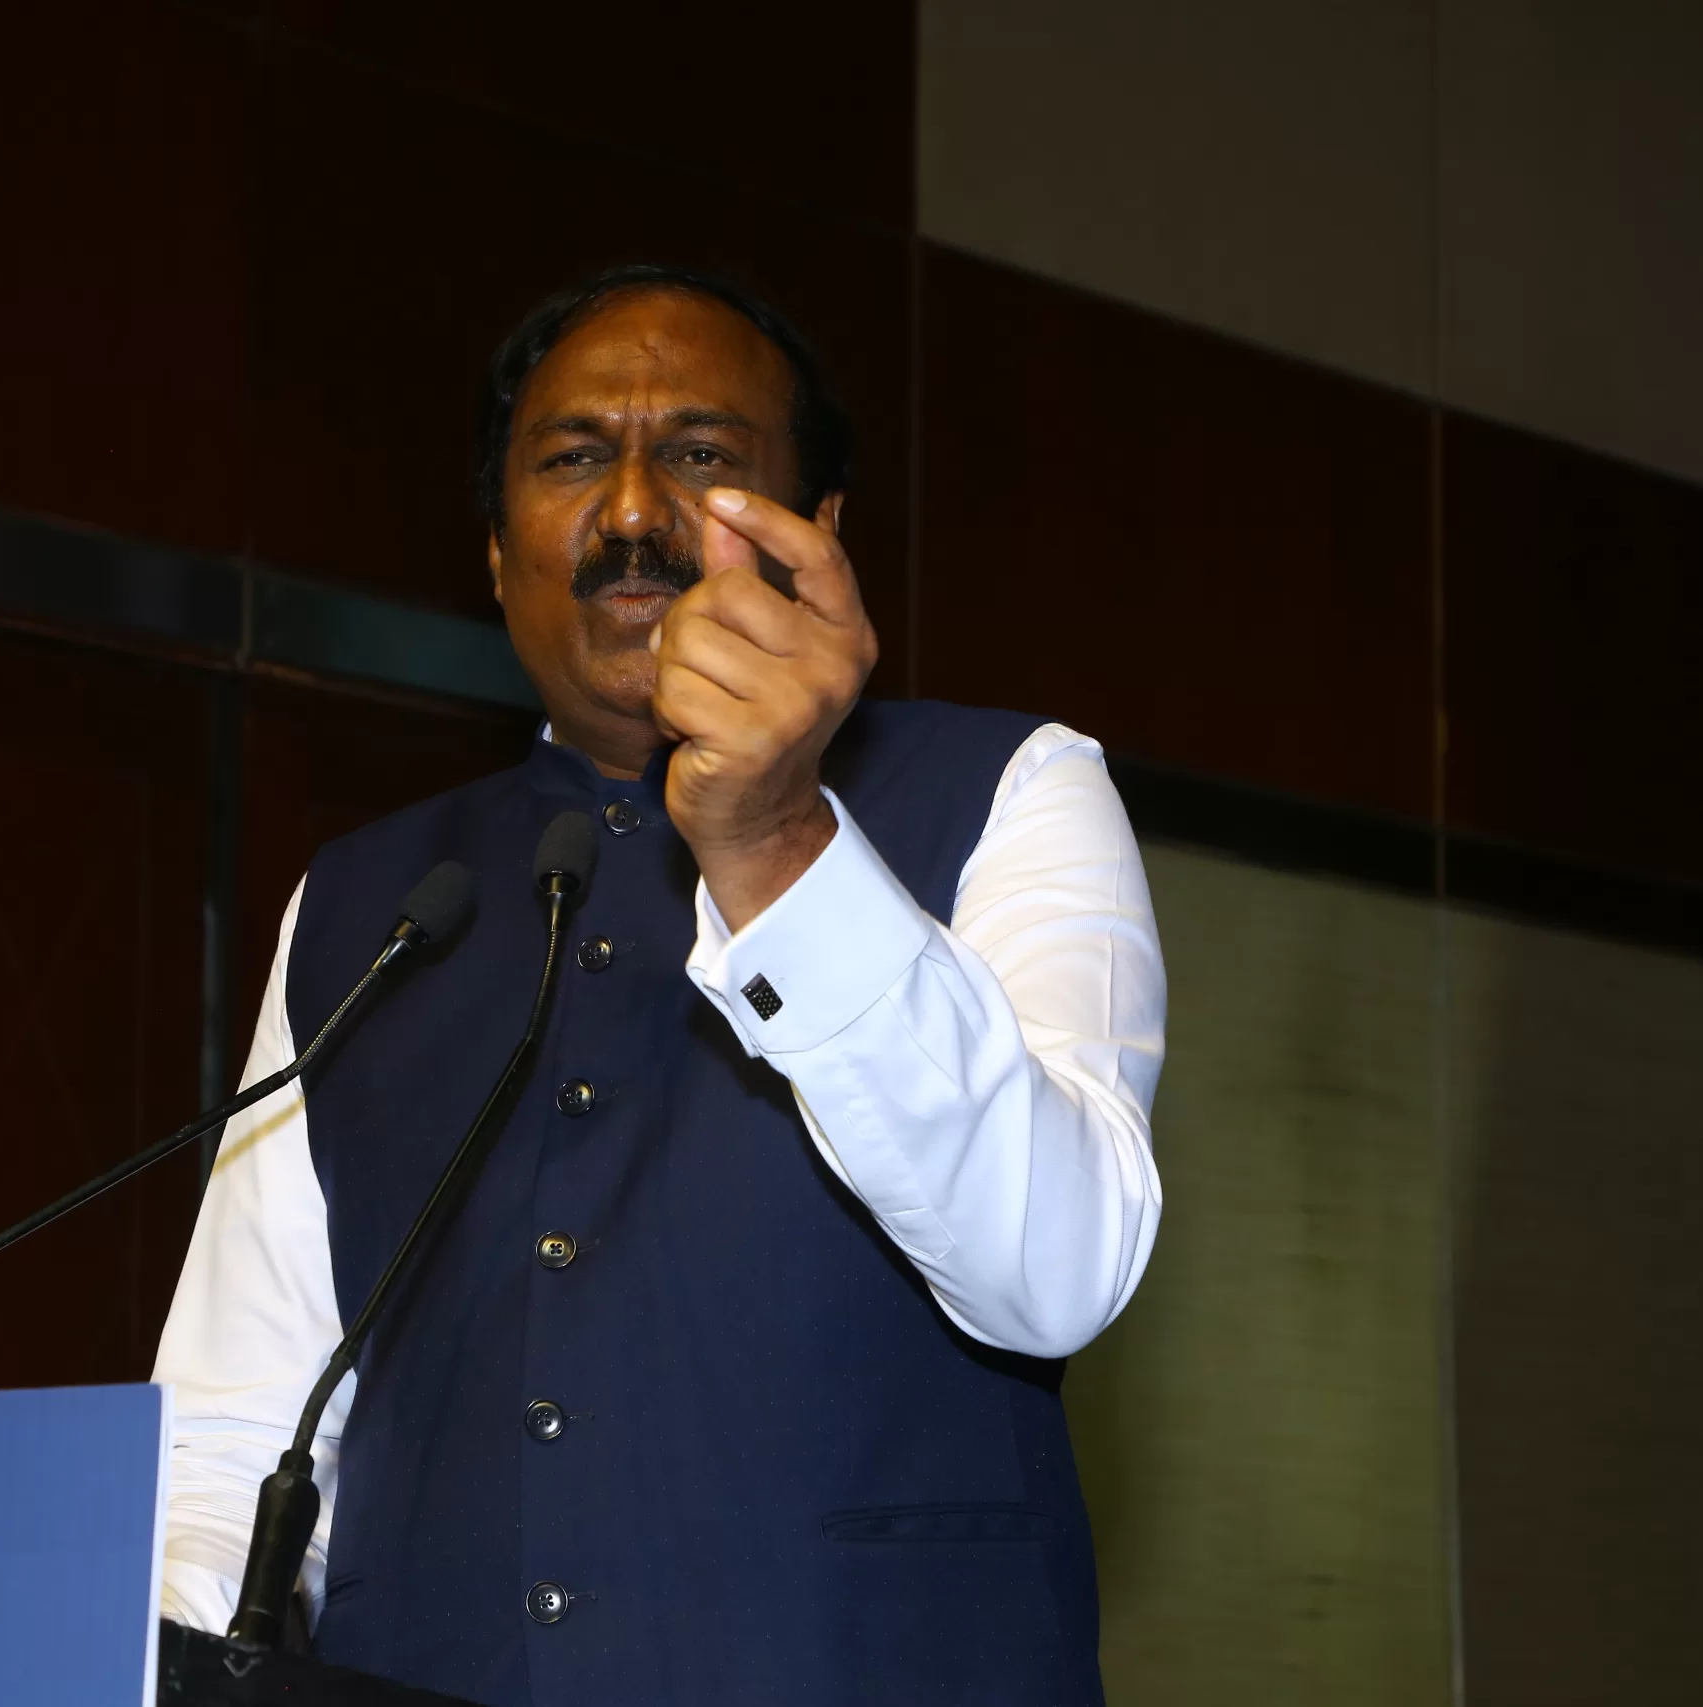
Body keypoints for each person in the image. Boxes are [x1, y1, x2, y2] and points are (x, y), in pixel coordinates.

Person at [151, 264, 1166, 1706]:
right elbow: (229, 1439)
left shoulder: (1014, 787)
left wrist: (779, 842)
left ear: (818, 534)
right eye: (573, 460)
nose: (633, 513)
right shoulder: (364, 901)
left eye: (699, 456)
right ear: (496, 553)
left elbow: (1057, 1270)